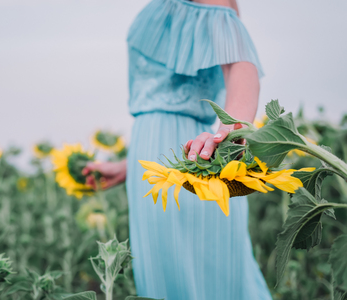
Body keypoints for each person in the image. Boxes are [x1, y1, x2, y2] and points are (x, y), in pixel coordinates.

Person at [83, 0, 272, 298]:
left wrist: (230, 132)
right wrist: (128, 165)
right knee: (163, 281)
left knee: (205, 282)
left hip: (194, 161)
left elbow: (240, 67)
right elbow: (158, 104)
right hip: (151, 167)